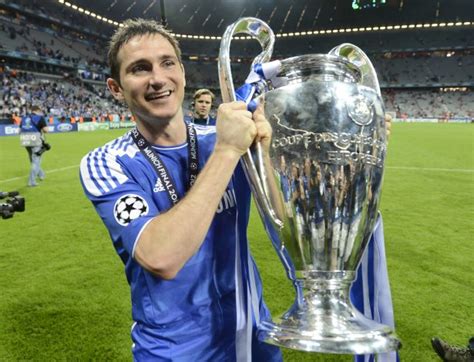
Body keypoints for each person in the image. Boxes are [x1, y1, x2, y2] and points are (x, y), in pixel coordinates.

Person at [79, 19, 281, 361]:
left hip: (252, 336)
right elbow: (161, 258)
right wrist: (227, 152)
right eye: (140, 69)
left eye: (167, 63)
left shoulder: (222, 138)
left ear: (182, 73)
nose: (158, 79)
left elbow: (283, 226)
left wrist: (262, 157)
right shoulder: (106, 163)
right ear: (116, 88)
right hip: (174, 350)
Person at [19, 105, 48, 187]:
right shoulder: (40, 117)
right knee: (36, 160)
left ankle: (41, 174)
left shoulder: (24, 118)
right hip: (35, 139)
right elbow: (46, 130)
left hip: (25, 139)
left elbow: (20, 130)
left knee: (33, 159)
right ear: (37, 110)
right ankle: (31, 182)